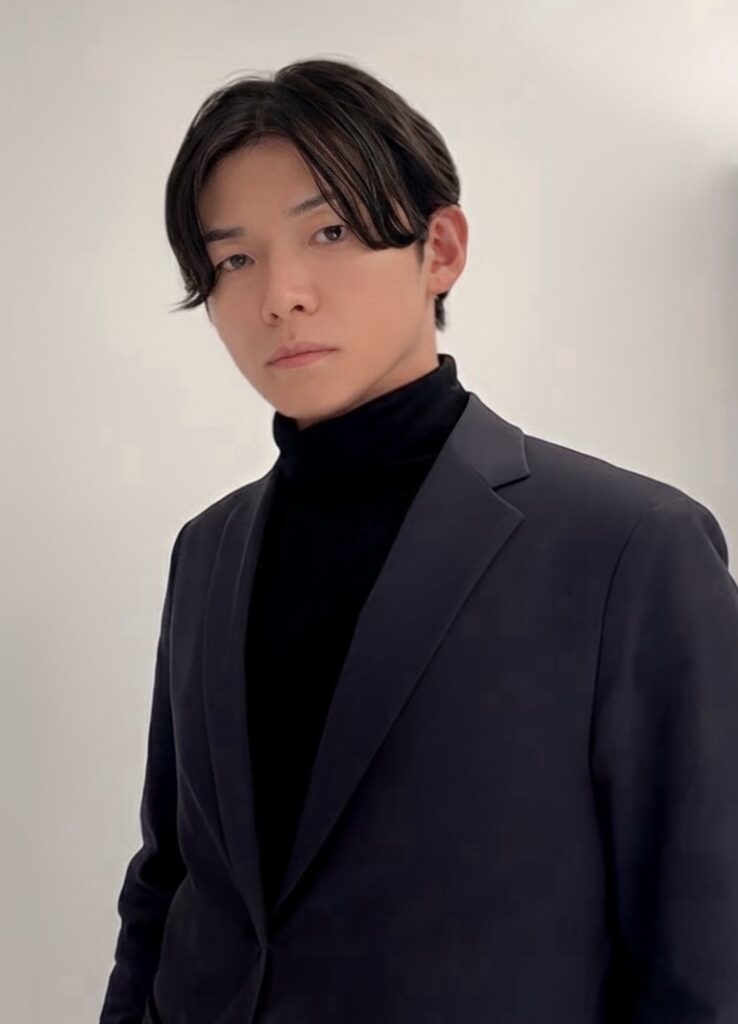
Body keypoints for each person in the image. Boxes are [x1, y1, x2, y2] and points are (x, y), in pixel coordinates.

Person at [99, 57, 738, 1024]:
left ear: (438, 249)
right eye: (234, 260)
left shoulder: (632, 549)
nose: (281, 295)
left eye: (330, 231)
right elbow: (170, 878)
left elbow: (706, 952)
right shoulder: (207, 551)